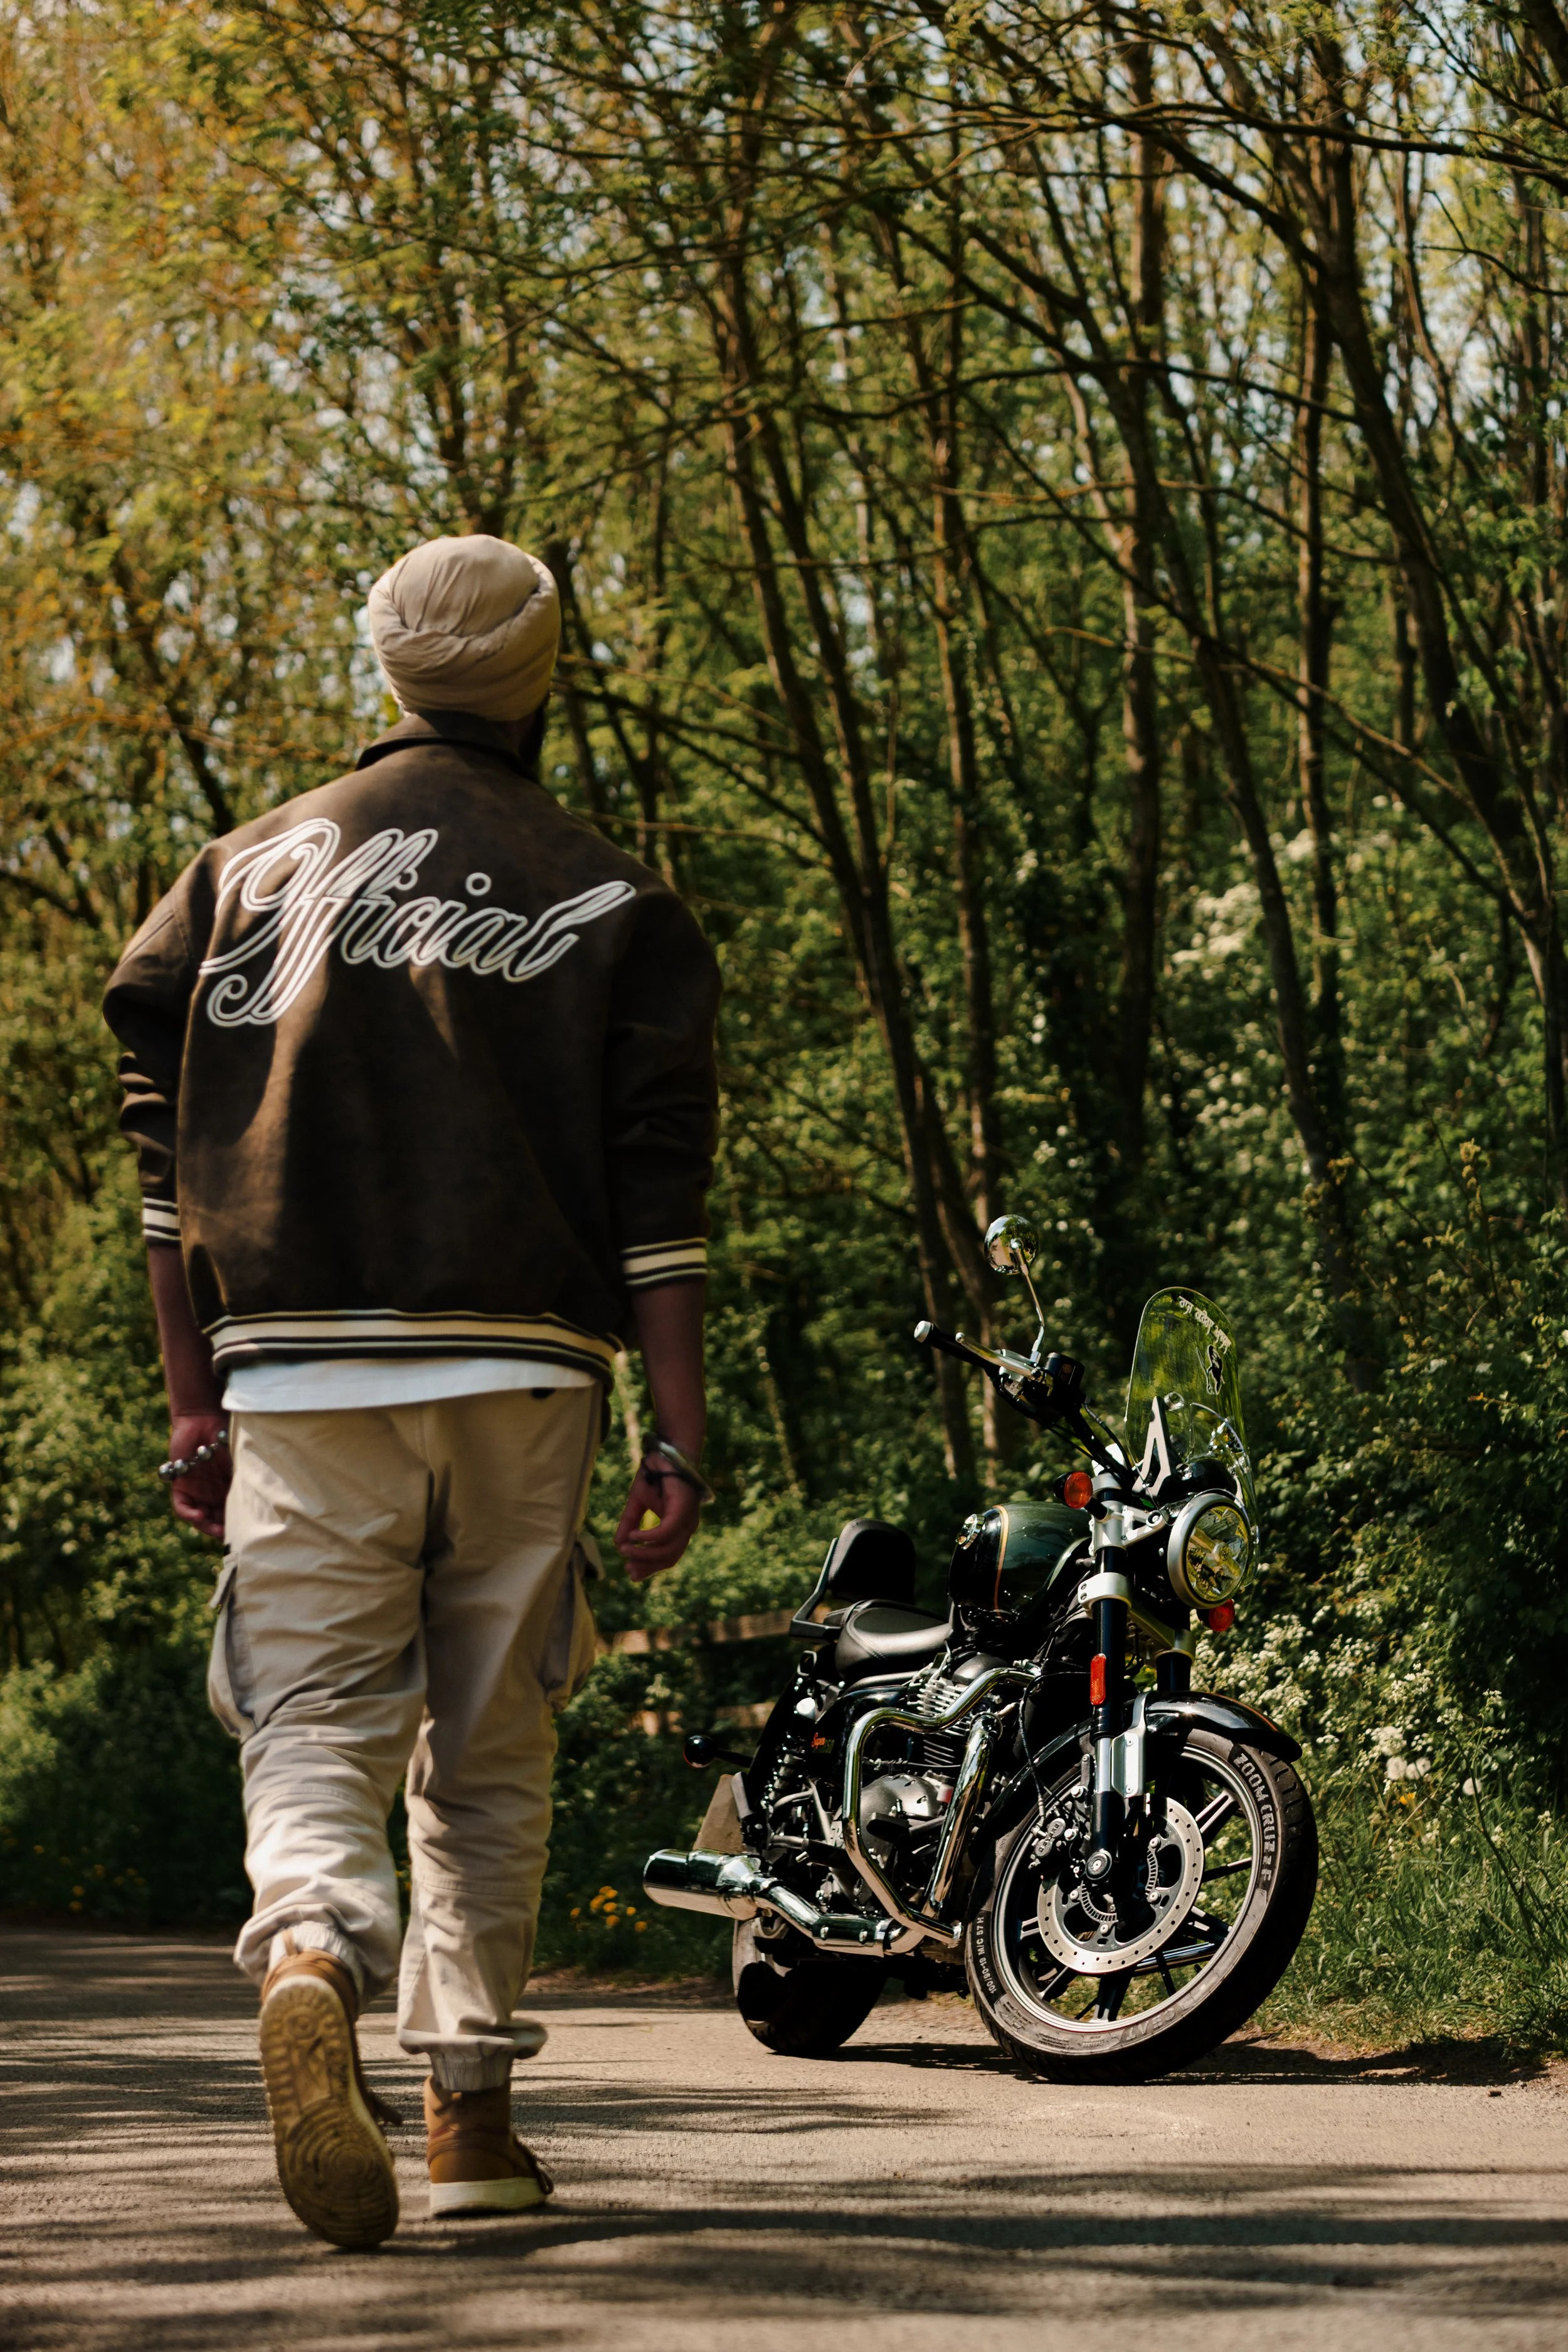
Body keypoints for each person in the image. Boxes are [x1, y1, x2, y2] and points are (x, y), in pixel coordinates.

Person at [102, 533, 719, 2249]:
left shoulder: (234, 878)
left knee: (313, 1715)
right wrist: (673, 1430)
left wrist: (189, 1402)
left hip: (297, 1371)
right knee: (490, 1740)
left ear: (387, 673)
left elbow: (166, 1185)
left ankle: (312, 1948)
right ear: (537, 678)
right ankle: (467, 2117)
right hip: (528, 1369)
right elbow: (661, 1204)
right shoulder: (612, 893)